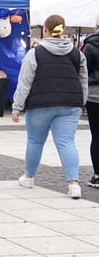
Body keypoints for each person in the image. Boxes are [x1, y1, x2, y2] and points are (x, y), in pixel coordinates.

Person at [11, 14, 88, 199]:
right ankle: (74, 184)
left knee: (35, 141)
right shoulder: (77, 53)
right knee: (67, 143)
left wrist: (17, 106)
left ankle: (29, 177)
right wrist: (81, 101)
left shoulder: (35, 53)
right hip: (70, 104)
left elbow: (25, 82)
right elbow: (83, 80)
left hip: (40, 104)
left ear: (45, 30)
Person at [83, 29, 99, 188]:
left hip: (95, 95)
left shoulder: (90, 44)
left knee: (96, 136)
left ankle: (98, 175)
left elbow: (83, 70)